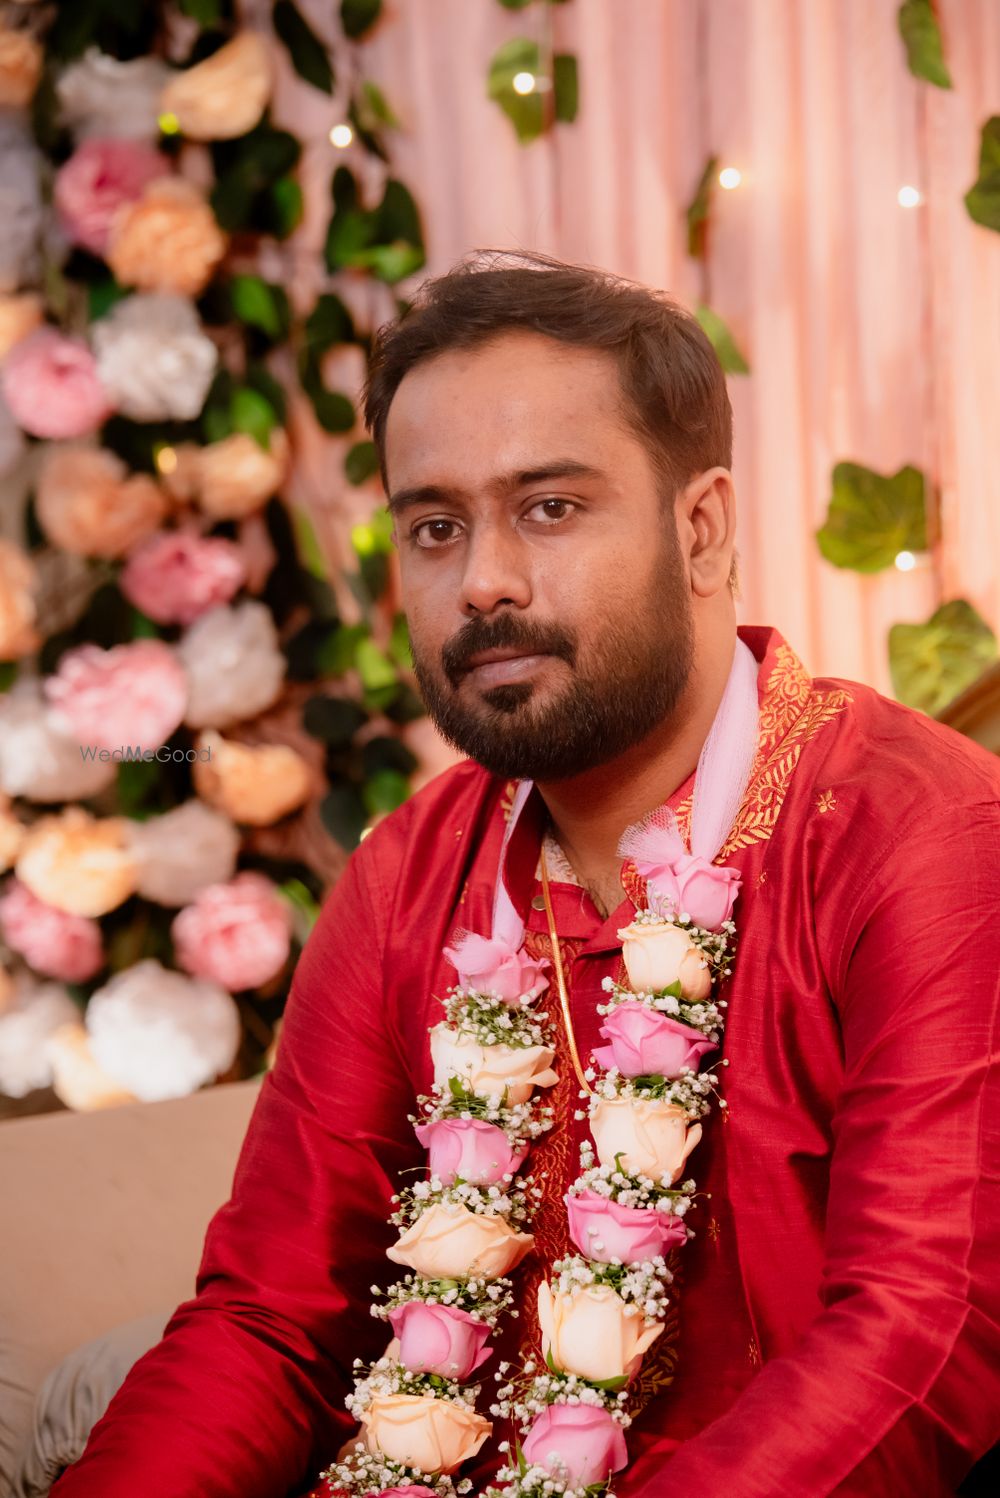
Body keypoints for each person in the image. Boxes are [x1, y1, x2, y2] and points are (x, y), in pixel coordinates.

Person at [53, 253, 1000, 1498]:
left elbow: (916, 1341)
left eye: (549, 506)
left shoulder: (914, 835)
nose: (482, 579)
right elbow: (270, 1322)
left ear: (700, 526)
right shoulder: (408, 875)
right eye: (435, 525)